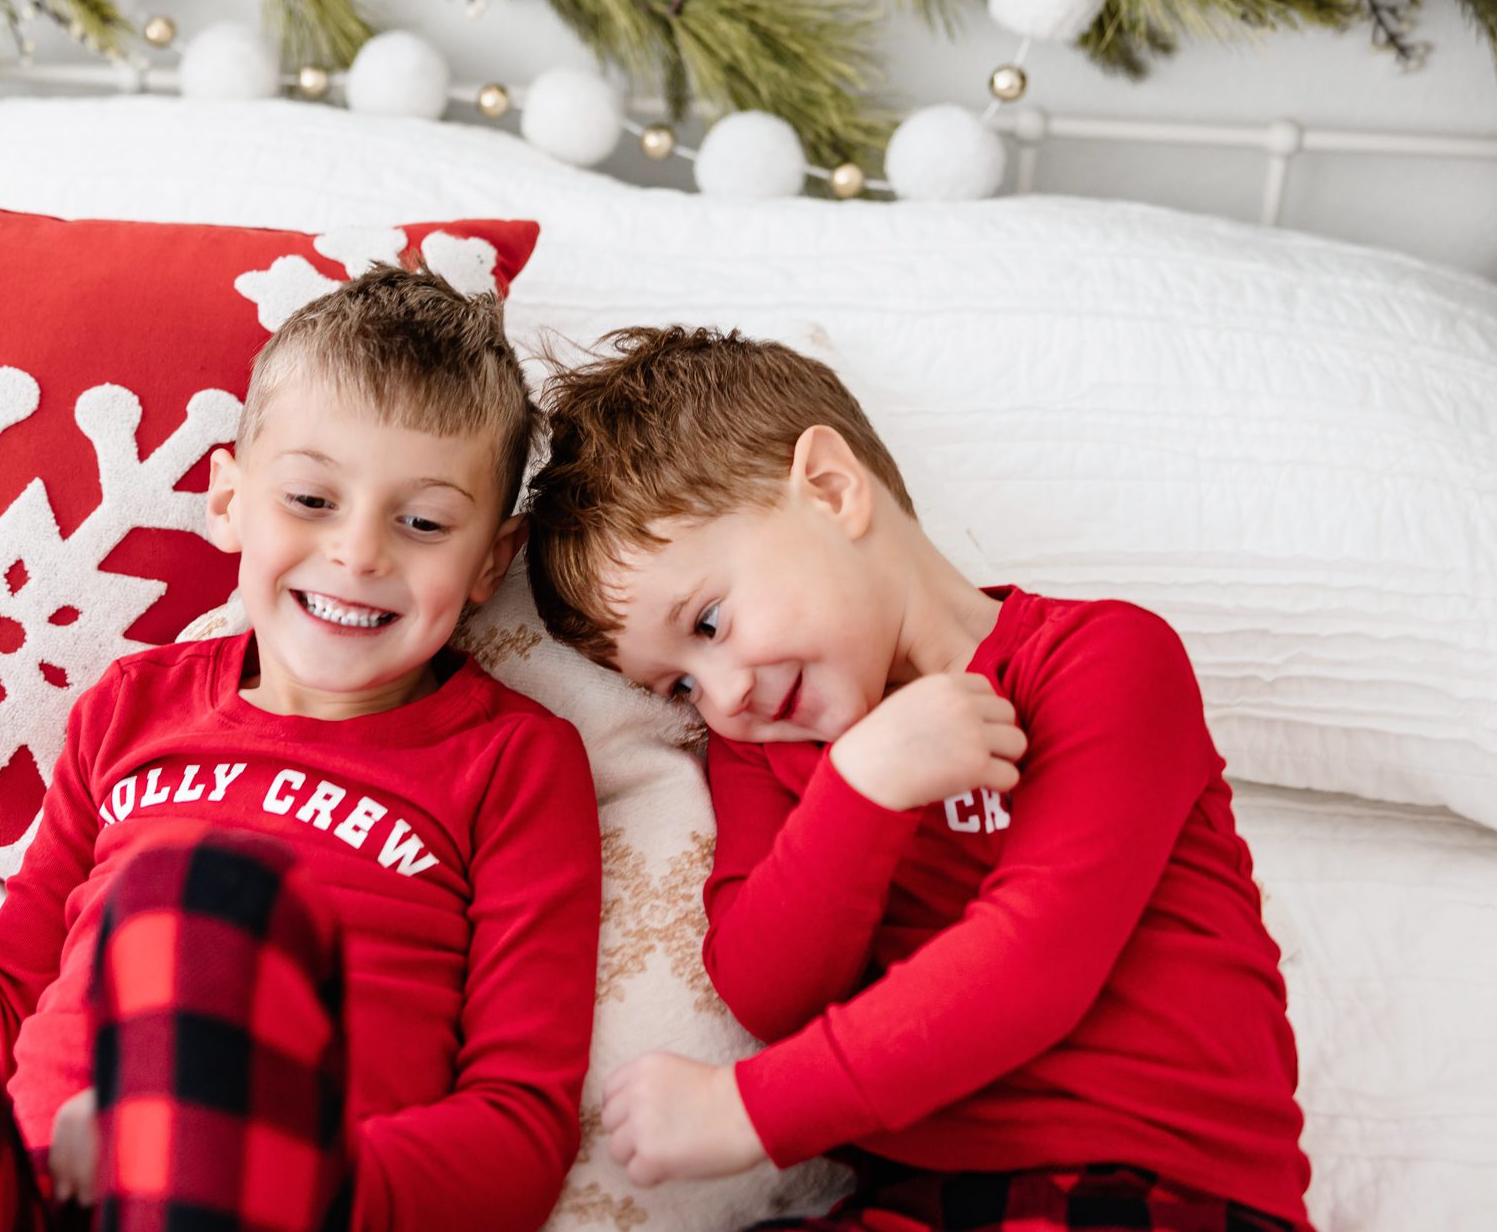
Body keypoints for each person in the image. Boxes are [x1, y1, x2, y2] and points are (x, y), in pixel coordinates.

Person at [0, 265, 600, 1232]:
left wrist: (290, 1173)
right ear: (229, 501)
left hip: (270, 1202)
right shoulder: (132, 708)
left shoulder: (514, 764)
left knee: (201, 900)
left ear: (492, 560)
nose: (360, 553)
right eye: (312, 500)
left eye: (422, 523)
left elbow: (519, 1130)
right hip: (24, 1194)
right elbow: (7, 1021)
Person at [523, 326, 1312, 1232]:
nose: (726, 692)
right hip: (914, 1194)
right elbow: (764, 989)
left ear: (831, 489)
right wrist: (860, 795)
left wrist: (746, 1111)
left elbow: (1034, 965)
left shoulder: (1102, 659)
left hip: (1154, 1180)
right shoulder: (766, 748)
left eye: (708, 621)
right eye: (681, 687)